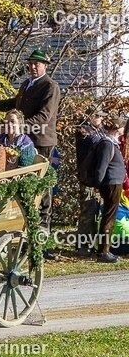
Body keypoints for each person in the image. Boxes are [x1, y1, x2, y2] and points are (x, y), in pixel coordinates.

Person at [0, 48, 62, 228]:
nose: (33, 67)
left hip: (41, 141)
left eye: (37, 64)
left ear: (45, 66)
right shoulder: (27, 84)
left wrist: (19, 127)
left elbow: (44, 117)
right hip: (22, 140)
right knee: (21, 182)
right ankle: (21, 227)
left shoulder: (50, 86)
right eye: (31, 63)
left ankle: (43, 234)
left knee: (42, 188)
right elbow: (13, 104)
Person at [91, 114, 126, 263]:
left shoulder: (111, 143)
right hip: (111, 184)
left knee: (109, 217)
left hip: (114, 183)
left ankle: (105, 249)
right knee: (108, 218)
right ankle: (103, 251)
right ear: (118, 128)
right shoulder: (107, 143)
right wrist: (98, 184)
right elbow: (102, 167)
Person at [76, 104, 106, 255]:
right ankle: (82, 245)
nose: (101, 119)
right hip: (87, 177)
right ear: (90, 116)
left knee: (95, 211)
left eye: (101, 116)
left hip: (97, 177)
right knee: (87, 212)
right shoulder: (84, 131)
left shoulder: (100, 130)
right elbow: (94, 143)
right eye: (98, 116)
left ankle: (91, 243)